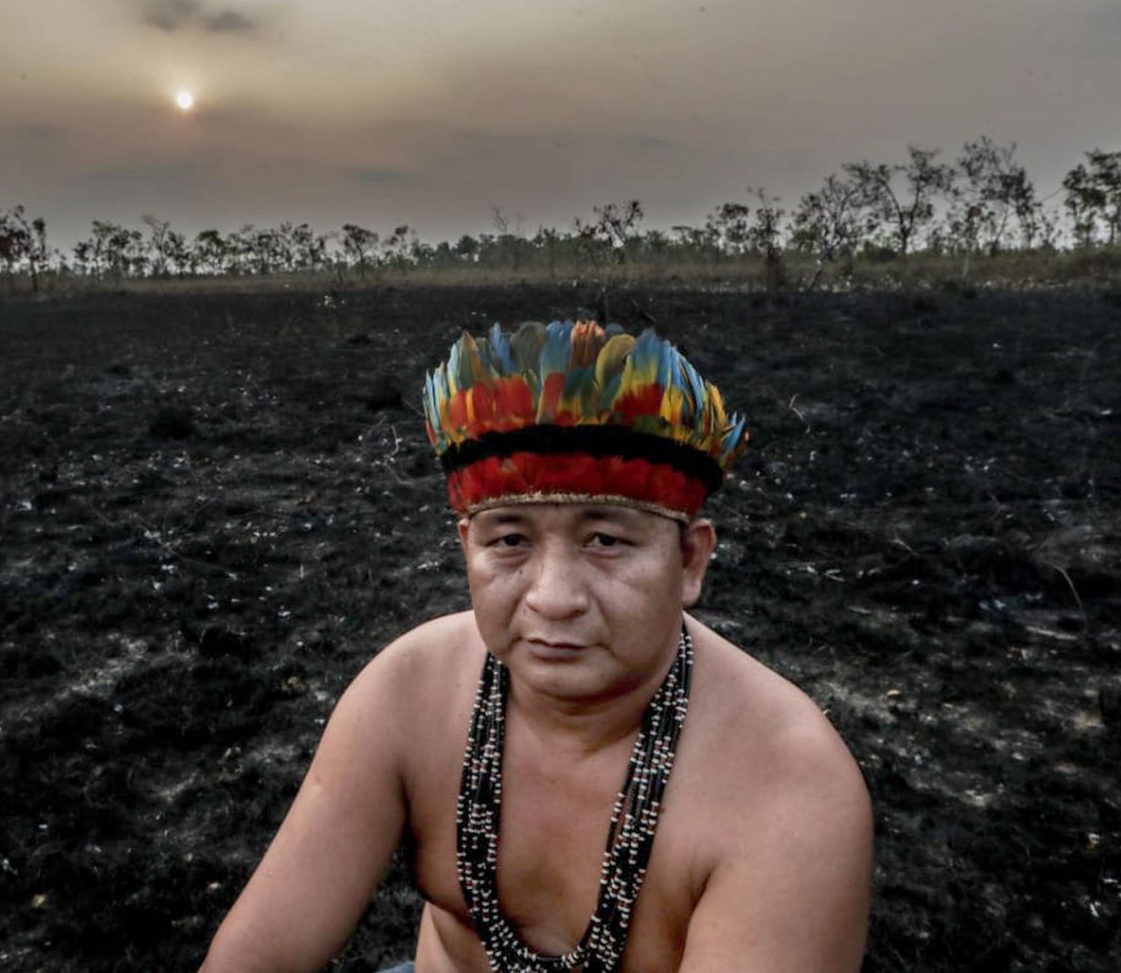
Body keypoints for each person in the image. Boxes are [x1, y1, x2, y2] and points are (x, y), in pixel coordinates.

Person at [200, 321, 873, 973]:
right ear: (467, 549)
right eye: (510, 540)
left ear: (690, 561)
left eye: (605, 540)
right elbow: (259, 954)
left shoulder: (788, 793)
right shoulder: (408, 696)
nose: (552, 598)